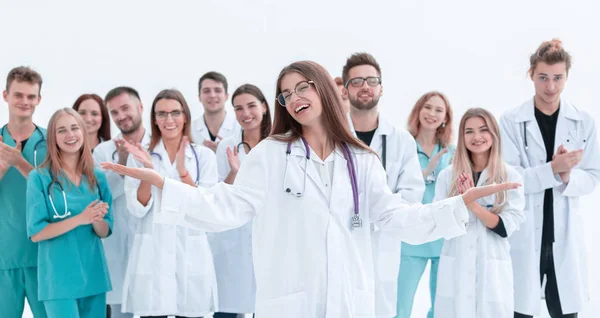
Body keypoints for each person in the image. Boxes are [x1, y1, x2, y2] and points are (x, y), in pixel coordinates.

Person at [101, 60, 521, 318]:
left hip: (349, 301)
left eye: (302, 86)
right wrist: (165, 186)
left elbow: (396, 217)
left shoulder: (361, 160)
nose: (294, 96)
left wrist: (454, 207)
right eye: (285, 93)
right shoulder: (269, 154)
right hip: (290, 301)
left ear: (323, 88)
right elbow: (225, 205)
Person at [499, 39, 600, 318]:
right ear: (531, 74)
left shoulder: (584, 121)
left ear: (567, 77)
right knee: (520, 309)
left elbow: (592, 177)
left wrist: (568, 177)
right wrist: (552, 170)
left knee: (566, 311)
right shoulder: (510, 121)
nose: (550, 87)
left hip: (564, 233)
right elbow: (509, 178)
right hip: (525, 231)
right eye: (543, 77)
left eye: (558, 78)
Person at [121, 89, 218, 318]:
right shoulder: (140, 156)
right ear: (154, 119)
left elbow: (206, 207)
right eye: (162, 114)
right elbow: (137, 208)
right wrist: (148, 171)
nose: (169, 119)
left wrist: (183, 172)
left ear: (185, 116)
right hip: (152, 255)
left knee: (190, 310)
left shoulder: (203, 156)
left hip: (190, 254)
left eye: (175, 112)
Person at [343, 52, 424, 318]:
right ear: (345, 90)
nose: (364, 86)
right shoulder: (331, 137)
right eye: (356, 82)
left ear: (381, 87)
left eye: (371, 80)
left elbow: (413, 193)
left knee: (380, 309)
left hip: (384, 242)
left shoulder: (401, 140)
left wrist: (380, 214)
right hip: (341, 239)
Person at [434, 108, 525, 317]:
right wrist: (461, 202)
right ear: (462, 136)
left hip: (492, 269)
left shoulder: (510, 176)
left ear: (494, 134)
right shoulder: (447, 176)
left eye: (483, 130)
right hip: (455, 264)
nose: (476, 137)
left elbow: (505, 227)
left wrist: (470, 202)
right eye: (469, 131)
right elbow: (440, 224)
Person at [26, 108, 113, 318]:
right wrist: (80, 218)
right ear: (52, 138)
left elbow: (105, 231)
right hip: (58, 280)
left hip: (94, 275)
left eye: (74, 128)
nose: (70, 135)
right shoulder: (39, 178)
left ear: (83, 132)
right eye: (61, 130)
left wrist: (97, 219)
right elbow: (36, 232)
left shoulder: (97, 176)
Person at [210, 84, 272, 318]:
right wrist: (234, 171)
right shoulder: (228, 146)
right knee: (229, 306)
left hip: (270, 233)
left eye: (251, 106)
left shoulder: (281, 144)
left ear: (264, 107)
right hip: (234, 239)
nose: (245, 114)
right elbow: (218, 195)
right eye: (238, 108)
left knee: (268, 305)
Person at [396, 91, 455, 318]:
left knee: (441, 309)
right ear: (418, 111)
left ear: (446, 118)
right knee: (400, 308)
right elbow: (394, 187)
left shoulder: (452, 152)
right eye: (428, 107)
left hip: (443, 239)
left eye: (439, 110)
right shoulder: (403, 145)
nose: (432, 114)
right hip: (411, 239)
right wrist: (426, 172)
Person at [93, 86, 150, 318]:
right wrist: (123, 163)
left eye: (125, 108)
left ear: (140, 107)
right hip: (117, 246)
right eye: (114, 112)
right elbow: (102, 194)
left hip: (151, 244)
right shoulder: (103, 151)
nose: (121, 116)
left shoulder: (158, 147)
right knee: (119, 312)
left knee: (154, 307)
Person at [0, 66, 48, 318]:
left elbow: (56, 191)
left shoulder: (52, 142)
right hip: (4, 255)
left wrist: (19, 163)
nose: (24, 102)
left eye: (31, 96)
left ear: (39, 100)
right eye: (18, 95)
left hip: (43, 254)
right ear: (5, 95)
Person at [192, 71, 241, 152]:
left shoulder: (239, 128)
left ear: (226, 96)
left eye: (218, 90)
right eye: (206, 91)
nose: (212, 95)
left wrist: (224, 153)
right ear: (199, 97)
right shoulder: (189, 130)